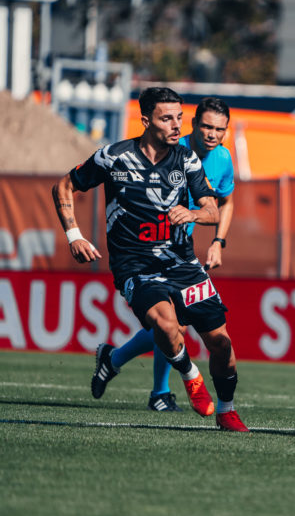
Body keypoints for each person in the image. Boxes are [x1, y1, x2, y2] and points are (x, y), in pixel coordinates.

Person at [52, 87, 248, 432]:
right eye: (167, 118)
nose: (176, 126)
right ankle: (187, 376)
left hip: (182, 263)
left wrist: (193, 215)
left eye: (179, 118)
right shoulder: (113, 157)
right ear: (145, 120)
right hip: (135, 265)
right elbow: (64, 186)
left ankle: (227, 410)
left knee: (222, 344)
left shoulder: (186, 160)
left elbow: (212, 209)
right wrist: (74, 235)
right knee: (167, 325)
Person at [98, 97, 236, 413]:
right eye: (206, 126)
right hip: (148, 253)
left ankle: (115, 359)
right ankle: (159, 391)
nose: (213, 135)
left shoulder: (223, 158)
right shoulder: (174, 148)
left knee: (178, 327)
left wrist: (219, 241)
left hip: (181, 252)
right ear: (193, 125)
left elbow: (225, 202)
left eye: (220, 129)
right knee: (169, 323)